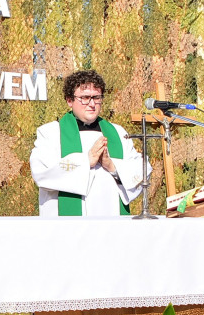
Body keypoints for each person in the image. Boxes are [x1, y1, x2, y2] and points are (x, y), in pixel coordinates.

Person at [29, 70, 146, 216]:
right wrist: (85, 162)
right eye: (85, 98)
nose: (92, 104)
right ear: (69, 100)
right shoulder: (51, 133)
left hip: (111, 220)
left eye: (96, 97)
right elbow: (41, 172)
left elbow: (140, 169)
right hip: (67, 226)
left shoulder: (119, 133)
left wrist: (113, 167)